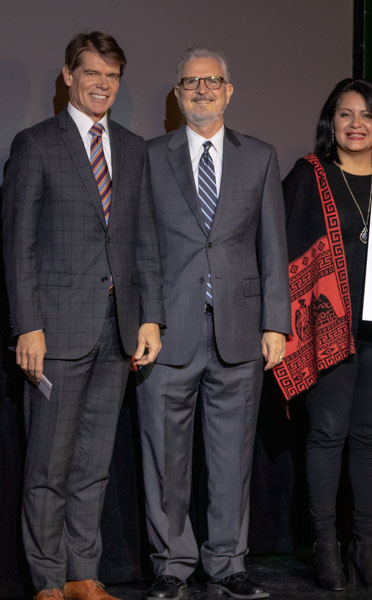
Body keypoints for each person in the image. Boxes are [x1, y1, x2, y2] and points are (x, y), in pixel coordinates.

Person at [1, 31, 164, 600]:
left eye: (112, 75)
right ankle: (47, 582)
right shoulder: (36, 144)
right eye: (91, 72)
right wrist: (27, 324)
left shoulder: (133, 146)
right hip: (56, 331)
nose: (102, 84)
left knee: (94, 464)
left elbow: (143, 238)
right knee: (48, 465)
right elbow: (17, 243)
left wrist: (149, 318)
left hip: (117, 329)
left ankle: (82, 576)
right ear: (68, 76)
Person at [136, 47, 290, 600]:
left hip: (240, 331)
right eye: (190, 82)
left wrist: (277, 322)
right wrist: (145, 318)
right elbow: (142, 247)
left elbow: (273, 245)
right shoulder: (150, 157)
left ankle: (227, 564)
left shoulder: (261, 157)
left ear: (230, 91)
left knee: (232, 458)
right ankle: (172, 567)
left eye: (212, 81)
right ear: (178, 94)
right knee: (164, 458)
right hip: (168, 332)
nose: (202, 90)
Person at [277, 78, 372, 591]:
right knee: (326, 433)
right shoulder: (309, 176)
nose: (356, 125)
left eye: (367, 116)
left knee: (369, 436)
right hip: (328, 330)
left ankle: (365, 547)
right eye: (345, 114)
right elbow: (286, 254)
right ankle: (326, 548)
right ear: (331, 121)